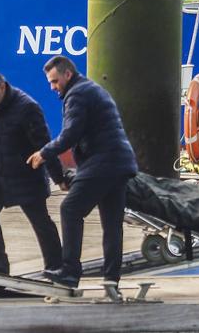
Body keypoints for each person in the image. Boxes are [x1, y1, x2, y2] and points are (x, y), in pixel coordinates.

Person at [27, 56, 138, 288]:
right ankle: (111, 279)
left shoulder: (76, 94)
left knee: (70, 209)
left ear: (68, 74)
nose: (52, 87)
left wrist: (43, 153)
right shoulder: (92, 89)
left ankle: (70, 272)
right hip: (120, 163)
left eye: (55, 81)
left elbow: (70, 135)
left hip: (103, 163)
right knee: (112, 223)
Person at [0, 70, 64, 275]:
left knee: (40, 220)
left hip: (26, 174)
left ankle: (56, 266)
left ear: (2, 87)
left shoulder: (27, 108)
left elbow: (44, 143)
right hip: (0, 172)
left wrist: (59, 177)